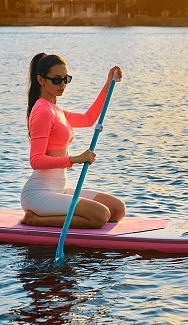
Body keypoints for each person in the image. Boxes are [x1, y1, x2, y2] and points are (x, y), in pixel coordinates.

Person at [20, 53, 125, 229]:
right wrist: (75, 159)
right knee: (101, 216)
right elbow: (36, 160)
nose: (62, 84)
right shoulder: (42, 111)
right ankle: (35, 220)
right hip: (39, 194)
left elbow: (88, 119)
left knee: (117, 209)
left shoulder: (56, 110)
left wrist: (109, 84)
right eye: (56, 80)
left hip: (59, 189)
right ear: (41, 80)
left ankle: (51, 215)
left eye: (65, 79)